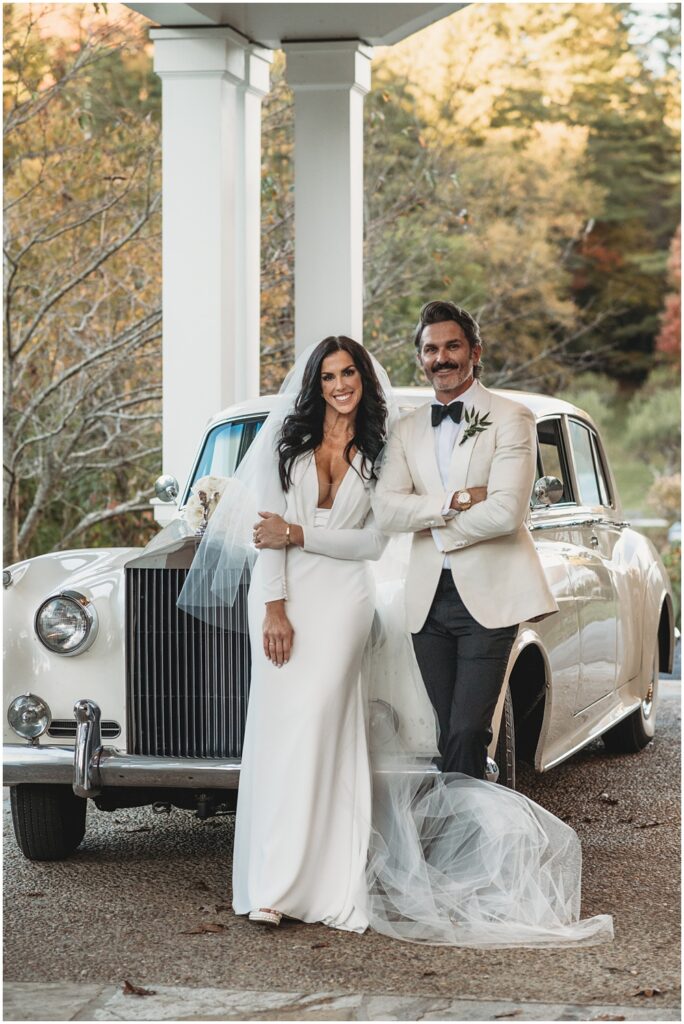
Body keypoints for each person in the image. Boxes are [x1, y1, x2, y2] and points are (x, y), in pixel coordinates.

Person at [178, 333, 613, 947]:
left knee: (325, 730)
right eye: (328, 375)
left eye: (348, 373)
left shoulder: (381, 450)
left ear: (364, 379)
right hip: (281, 598)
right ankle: (271, 885)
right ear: (315, 384)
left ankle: (329, 885)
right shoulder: (285, 447)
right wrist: (274, 606)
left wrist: (300, 532)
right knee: (278, 734)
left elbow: (370, 542)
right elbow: (264, 536)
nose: (339, 385)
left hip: (344, 600)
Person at [372, 299, 558, 779]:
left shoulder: (511, 417)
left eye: (452, 345)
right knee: (441, 730)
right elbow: (386, 509)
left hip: (490, 599)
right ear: (420, 358)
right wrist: (452, 502)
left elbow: (504, 513)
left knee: (469, 731)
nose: (442, 358)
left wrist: (430, 525)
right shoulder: (406, 428)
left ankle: (459, 843)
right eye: (431, 349)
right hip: (426, 601)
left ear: (475, 351)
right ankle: (464, 841)